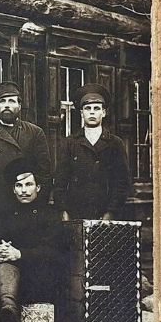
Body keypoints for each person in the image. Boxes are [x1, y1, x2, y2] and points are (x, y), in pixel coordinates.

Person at [0, 158, 65, 322]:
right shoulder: (5, 214)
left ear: (38, 187)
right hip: (11, 277)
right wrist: (1, 251)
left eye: (29, 184)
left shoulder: (50, 215)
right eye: (19, 185)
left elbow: (55, 253)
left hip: (40, 277)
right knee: (4, 271)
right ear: (13, 189)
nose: (24, 190)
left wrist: (19, 253)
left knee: (8, 277)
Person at [54, 83, 131, 221]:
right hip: (76, 213)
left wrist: (111, 212)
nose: (92, 112)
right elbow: (60, 181)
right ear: (81, 113)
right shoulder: (70, 143)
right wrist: (63, 210)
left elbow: (122, 182)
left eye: (96, 108)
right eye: (87, 108)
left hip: (106, 213)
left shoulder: (115, 143)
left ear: (103, 112)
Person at [0, 81, 52, 206]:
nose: (7, 105)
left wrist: (39, 204)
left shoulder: (35, 132)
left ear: (19, 106)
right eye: (2, 101)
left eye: (12, 101)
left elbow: (44, 173)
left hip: (26, 203)